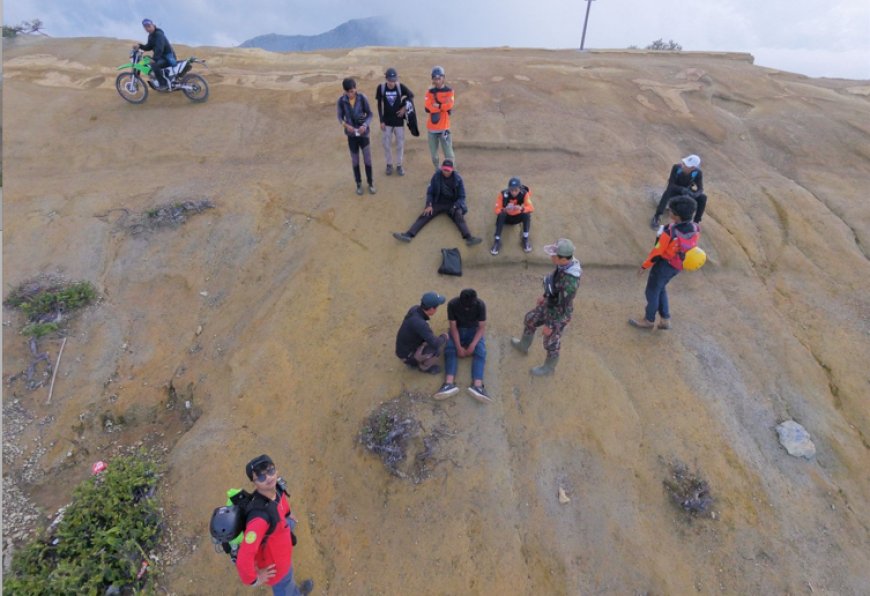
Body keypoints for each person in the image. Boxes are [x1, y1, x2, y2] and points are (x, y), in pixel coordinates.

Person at [235, 454, 314, 596]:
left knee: (289, 524)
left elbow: (281, 501)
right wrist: (254, 579)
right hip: (277, 568)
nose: (268, 478)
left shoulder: (276, 488)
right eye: (261, 477)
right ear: (254, 483)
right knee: (285, 586)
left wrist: (288, 513)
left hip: (281, 549)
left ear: (276, 470)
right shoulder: (259, 519)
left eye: (270, 471)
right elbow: (244, 557)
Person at [510, 238, 582, 376]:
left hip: (559, 314)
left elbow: (561, 306)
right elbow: (554, 282)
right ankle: (523, 345)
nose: (551, 257)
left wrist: (549, 325)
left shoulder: (570, 282)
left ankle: (549, 368)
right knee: (531, 319)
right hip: (551, 302)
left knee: (551, 342)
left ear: (563, 259)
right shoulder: (564, 265)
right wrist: (545, 295)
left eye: (554, 255)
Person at [630, 194, 699, 330]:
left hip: (663, 266)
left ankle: (649, 320)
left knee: (652, 291)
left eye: (671, 211)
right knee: (661, 288)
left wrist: (644, 266)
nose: (669, 212)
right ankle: (665, 319)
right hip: (678, 265)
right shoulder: (695, 228)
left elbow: (657, 253)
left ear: (676, 216)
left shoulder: (669, 233)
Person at [392, 159, 482, 246]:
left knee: (459, 215)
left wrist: (455, 206)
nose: (446, 172)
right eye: (444, 170)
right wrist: (429, 204)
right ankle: (408, 235)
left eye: (448, 170)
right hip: (438, 202)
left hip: (452, 203)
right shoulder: (436, 176)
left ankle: (469, 238)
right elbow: (430, 192)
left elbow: (462, 196)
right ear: (441, 168)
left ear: (452, 169)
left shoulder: (458, 179)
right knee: (426, 214)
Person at [434, 289, 490, 403]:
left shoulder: (480, 305)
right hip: (458, 330)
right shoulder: (452, 304)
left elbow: (481, 328)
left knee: (481, 351)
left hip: (473, 331)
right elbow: (453, 327)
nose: (467, 309)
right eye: (465, 307)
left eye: (469, 307)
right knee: (450, 350)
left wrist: (472, 345)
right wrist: (459, 347)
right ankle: (448, 384)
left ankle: (477, 386)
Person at [336, 78, 376, 196]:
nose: (350, 94)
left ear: (355, 88)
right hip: (351, 135)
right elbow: (339, 117)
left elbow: (370, 114)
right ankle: (358, 184)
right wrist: (346, 125)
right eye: (348, 92)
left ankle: (370, 183)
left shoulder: (362, 98)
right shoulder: (341, 101)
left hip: (364, 134)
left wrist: (365, 125)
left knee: (367, 159)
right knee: (355, 160)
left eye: (352, 91)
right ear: (345, 91)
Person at [395, 292, 448, 374]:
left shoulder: (415, 309)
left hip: (402, 349)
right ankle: (424, 367)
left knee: (428, 338)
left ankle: (414, 358)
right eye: (437, 307)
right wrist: (444, 337)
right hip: (407, 355)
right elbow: (435, 343)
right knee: (436, 350)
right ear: (431, 309)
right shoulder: (420, 324)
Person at [376, 68, 414, 177]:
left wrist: (405, 108)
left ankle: (399, 165)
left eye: (394, 80)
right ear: (386, 79)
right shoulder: (381, 88)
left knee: (400, 144)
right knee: (386, 144)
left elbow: (411, 95)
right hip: (387, 121)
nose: (392, 83)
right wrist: (381, 121)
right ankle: (389, 164)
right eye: (390, 80)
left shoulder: (400, 87)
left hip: (399, 122)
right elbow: (379, 105)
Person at [651, 154, 707, 228]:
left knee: (703, 197)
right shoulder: (676, 168)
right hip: (675, 189)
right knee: (668, 192)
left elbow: (700, 188)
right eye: (684, 163)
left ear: (693, 168)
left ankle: (696, 222)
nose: (683, 165)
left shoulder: (697, 173)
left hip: (687, 191)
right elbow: (671, 185)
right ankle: (657, 215)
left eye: (686, 165)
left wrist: (695, 194)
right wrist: (682, 189)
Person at [490, 177, 535, 255]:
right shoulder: (503, 194)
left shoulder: (524, 194)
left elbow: (531, 208)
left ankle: (525, 239)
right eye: (511, 190)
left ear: (520, 189)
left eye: (516, 190)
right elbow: (496, 209)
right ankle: (497, 241)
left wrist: (521, 208)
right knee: (501, 214)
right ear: (509, 189)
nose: (513, 192)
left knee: (526, 214)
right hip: (507, 217)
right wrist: (504, 209)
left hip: (517, 217)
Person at [425, 66, 455, 171]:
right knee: (434, 155)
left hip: (444, 128)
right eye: (435, 78)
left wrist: (438, 106)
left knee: (449, 154)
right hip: (432, 129)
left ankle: (451, 172)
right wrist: (442, 107)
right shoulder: (429, 92)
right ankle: (437, 170)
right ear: (432, 79)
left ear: (443, 78)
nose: (437, 81)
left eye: (439, 78)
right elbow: (427, 106)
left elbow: (450, 105)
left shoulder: (449, 91)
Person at [135, 19, 176, 90]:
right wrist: (140, 46)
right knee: (145, 58)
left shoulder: (159, 34)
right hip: (161, 57)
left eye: (149, 26)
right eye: (145, 27)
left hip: (168, 58)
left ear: (153, 25)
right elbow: (148, 47)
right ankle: (153, 77)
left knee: (154, 64)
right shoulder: (151, 36)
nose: (147, 28)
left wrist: (155, 59)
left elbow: (160, 48)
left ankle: (163, 84)